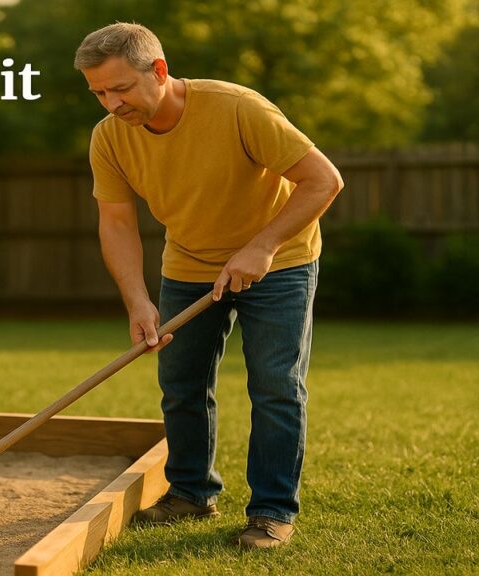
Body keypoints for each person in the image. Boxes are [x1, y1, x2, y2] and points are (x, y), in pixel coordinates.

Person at [74, 23, 343, 549]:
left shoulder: (238, 108)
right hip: (191, 262)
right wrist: (137, 300)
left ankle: (271, 512)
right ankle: (191, 492)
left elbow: (324, 179)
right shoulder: (109, 137)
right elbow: (117, 223)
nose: (111, 103)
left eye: (121, 88)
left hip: (279, 260)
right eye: (99, 93)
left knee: (276, 388)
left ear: (158, 70)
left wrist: (261, 247)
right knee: (181, 385)